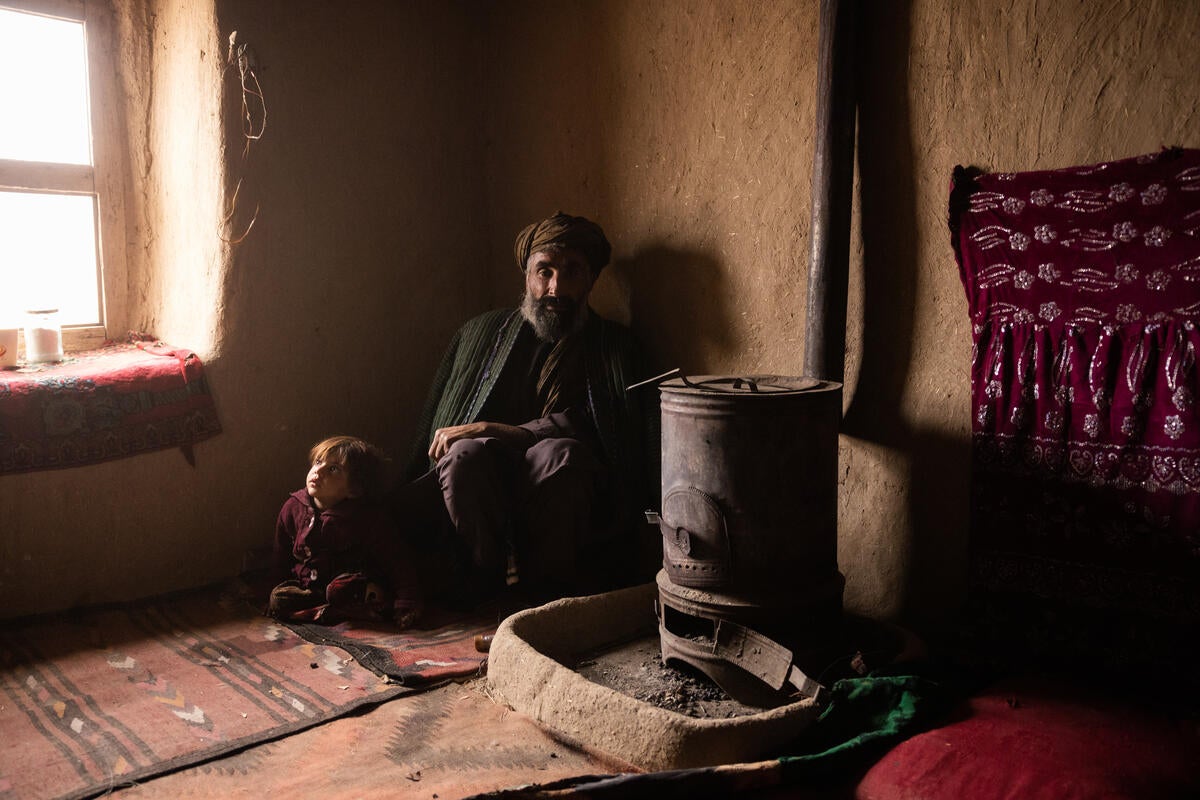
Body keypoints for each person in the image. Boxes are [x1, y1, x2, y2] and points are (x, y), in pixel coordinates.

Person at [396, 212, 657, 606]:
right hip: (486, 489)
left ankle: (544, 596)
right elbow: (436, 422)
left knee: (559, 453)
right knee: (463, 453)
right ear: (527, 276)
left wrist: (489, 427)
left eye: (571, 272)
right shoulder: (480, 333)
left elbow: (593, 431)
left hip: (565, 494)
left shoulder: (612, 348)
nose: (556, 287)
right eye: (544, 271)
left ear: (590, 280)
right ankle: (487, 585)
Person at [269, 435, 422, 625]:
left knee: (341, 590)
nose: (319, 471)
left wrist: (407, 601)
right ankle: (328, 611)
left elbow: (396, 560)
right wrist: (277, 586)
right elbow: (281, 553)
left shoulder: (366, 518)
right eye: (318, 462)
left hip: (352, 584)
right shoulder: (293, 507)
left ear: (354, 489)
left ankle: (347, 609)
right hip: (311, 587)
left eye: (333, 469)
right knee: (279, 599)